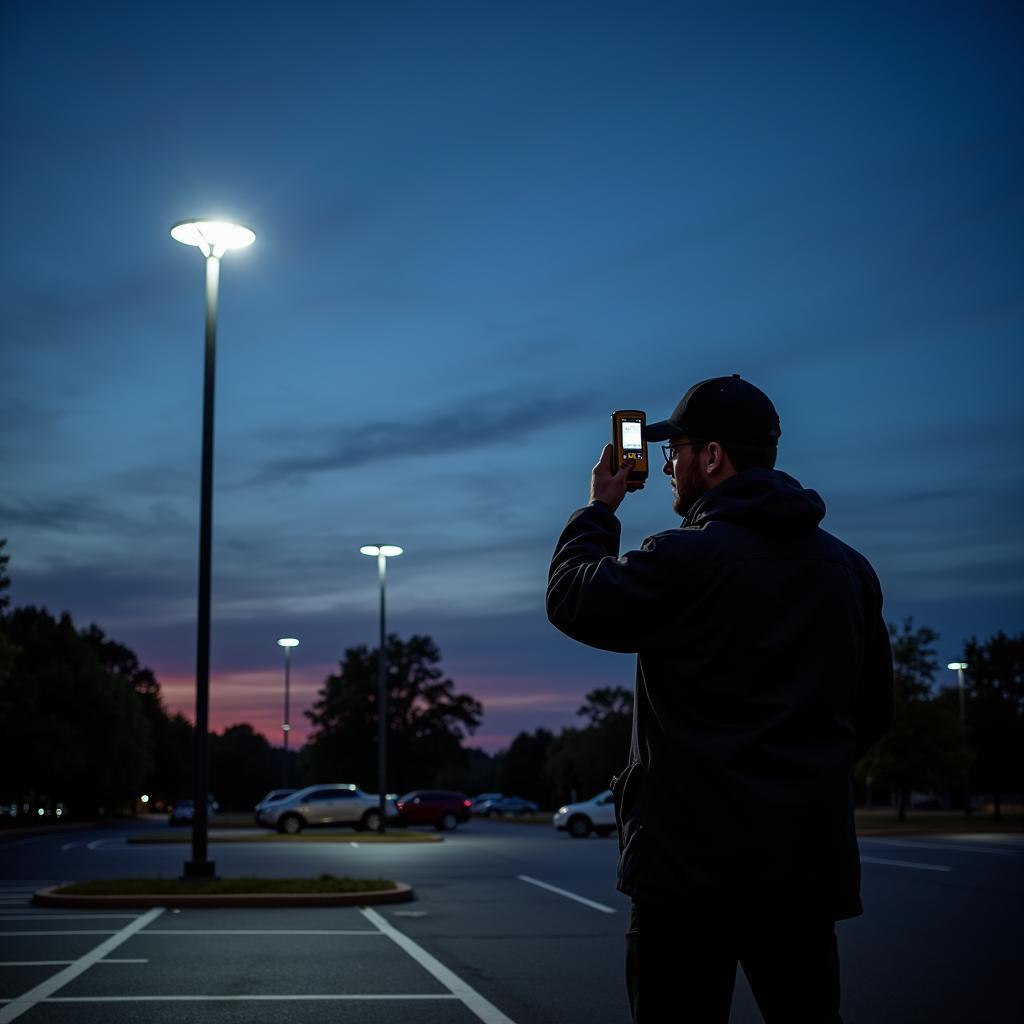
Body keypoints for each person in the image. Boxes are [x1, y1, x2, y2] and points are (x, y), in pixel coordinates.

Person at [546, 374, 893, 1023]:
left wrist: (600, 509)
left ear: (712, 457)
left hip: (685, 876)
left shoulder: (684, 559)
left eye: (676, 451)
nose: (669, 466)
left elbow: (572, 597)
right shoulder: (849, 570)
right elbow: (873, 710)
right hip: (803, 874)